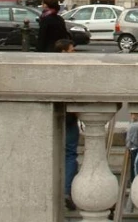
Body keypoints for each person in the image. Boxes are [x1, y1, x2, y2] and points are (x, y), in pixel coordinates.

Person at [55, 38, 79, 210]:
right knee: (70, 154)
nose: (74, 52)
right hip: (69, 118)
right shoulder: (72, 69)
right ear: (63, 52)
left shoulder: (50, 67)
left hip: (54, 116)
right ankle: (66, 189)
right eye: (72, 50)